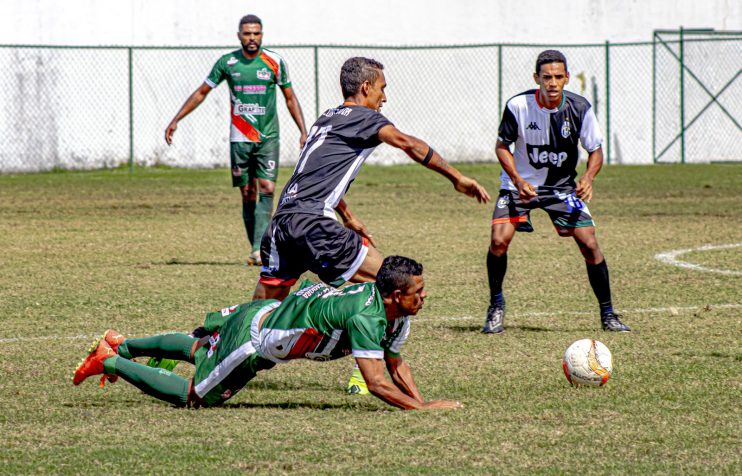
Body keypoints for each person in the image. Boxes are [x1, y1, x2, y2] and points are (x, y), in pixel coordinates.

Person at [251, 57, 491, 393]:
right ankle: (369, 369)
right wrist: (457, 177)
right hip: (314, 224)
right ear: (366, 87)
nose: (385, 97)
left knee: (256, 315)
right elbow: (409, 144)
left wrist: (347, 215)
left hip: (283, 222)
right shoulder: (365, 118)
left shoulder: (327, 118)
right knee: (396, 284)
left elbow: (314, 172)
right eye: (382, 88)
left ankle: (200, 344)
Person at [73, 256, 464, 411]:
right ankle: (109, 360)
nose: (425, 296)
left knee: (198, 348)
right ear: (396, 296)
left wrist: (422, 404)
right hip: (255, 341)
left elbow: (396, 364)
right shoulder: (368, 317)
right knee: (196, 396)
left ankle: (120, 342)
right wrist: (424, 410)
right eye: (419, 292)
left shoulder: (397, 312)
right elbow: (376, 383)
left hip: (269, 310)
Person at [482, 50, 630, 334]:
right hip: (518, 185)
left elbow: (595, 150)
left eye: (558, 77)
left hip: (561, 186)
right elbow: (502, 147)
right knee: (499, 241)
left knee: (589, 244)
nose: (552, 83)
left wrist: (588, 177)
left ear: (566, 78)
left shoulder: (580, 108)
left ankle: (608, 313)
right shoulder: (518, 106)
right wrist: (515, 178)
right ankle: (496, 306)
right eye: (546, 77)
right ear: (536, 78)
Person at [165, 14, 307, 266]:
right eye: (247, 33)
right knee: (247, 193)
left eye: (256, 33)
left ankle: (259, 249)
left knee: (267, 188)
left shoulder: (274, 62)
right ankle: (255, 246)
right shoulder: (228, 62)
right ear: (239, 35)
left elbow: (289, 97)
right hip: (240, 139)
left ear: (261, 35)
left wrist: (303, 131)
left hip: (268, 137)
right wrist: (176, 119)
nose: (252, 38)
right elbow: (201, 92)